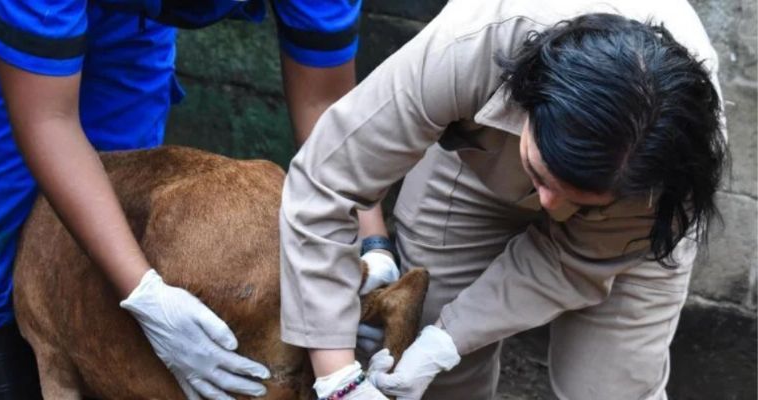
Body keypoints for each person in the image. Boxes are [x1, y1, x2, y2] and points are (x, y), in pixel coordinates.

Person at [279, 0, 727, 399]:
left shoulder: (675, 170)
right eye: (542, 177)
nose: (552, 208)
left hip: (624, 226)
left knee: (612, 388)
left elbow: (572, 262)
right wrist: (339, 381)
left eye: (583, 203)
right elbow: (326, 183)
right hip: (480, 156)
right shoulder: (470, 46)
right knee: (435, 363)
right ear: (528, 98)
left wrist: (446, 341)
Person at [0, 1, 366, 399]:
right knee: (0, 217)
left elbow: (327, 109)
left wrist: (371, 248)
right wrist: (144, 294)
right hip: (35, 16)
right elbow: (48, 120)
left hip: (138, 22)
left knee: (121, 206)